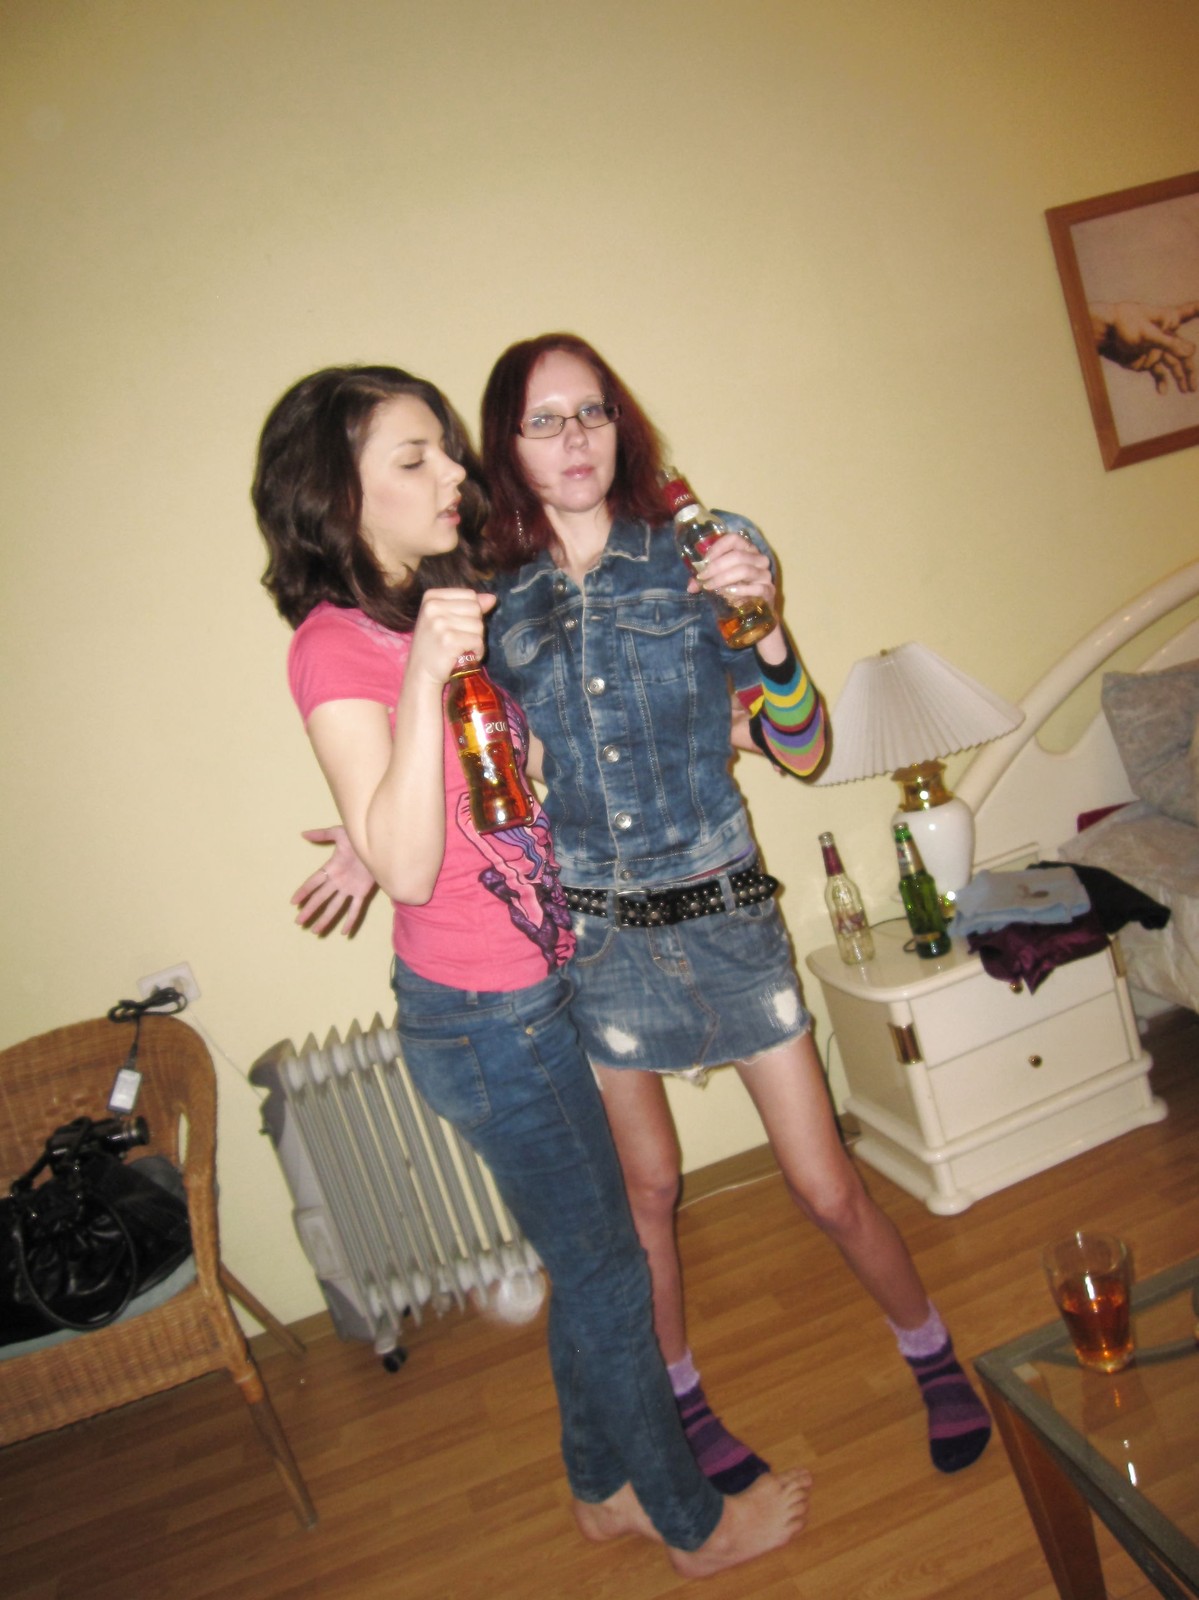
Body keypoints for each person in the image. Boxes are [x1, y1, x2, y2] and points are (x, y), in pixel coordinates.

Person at [295, 334, 993, 1482]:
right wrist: (376, 850)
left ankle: (928, 1349)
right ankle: (683, 1409)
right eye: (542, 420)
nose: (574, 439)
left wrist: (765, 624)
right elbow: (474, 757)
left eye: (592, 412)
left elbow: (803, 747)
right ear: (505, 446)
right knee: (649, 1195)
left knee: (823, 1184)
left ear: (620, 425)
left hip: (724, 911)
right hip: (593, 934)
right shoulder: (485, 595)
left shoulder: (701, 550)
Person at [252, 362, 810, 1580]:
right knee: (608, 1272)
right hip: (484, 1018)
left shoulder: (437, 601)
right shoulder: (338, 643)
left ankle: (597, 1487)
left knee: (587, 1260)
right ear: (336, 496)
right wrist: (408, 714)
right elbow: (410, 865)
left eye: (448, 449)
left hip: (542, 982)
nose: (453, 472)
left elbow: (479, 780)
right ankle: (689, 1523)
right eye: (414, 458)